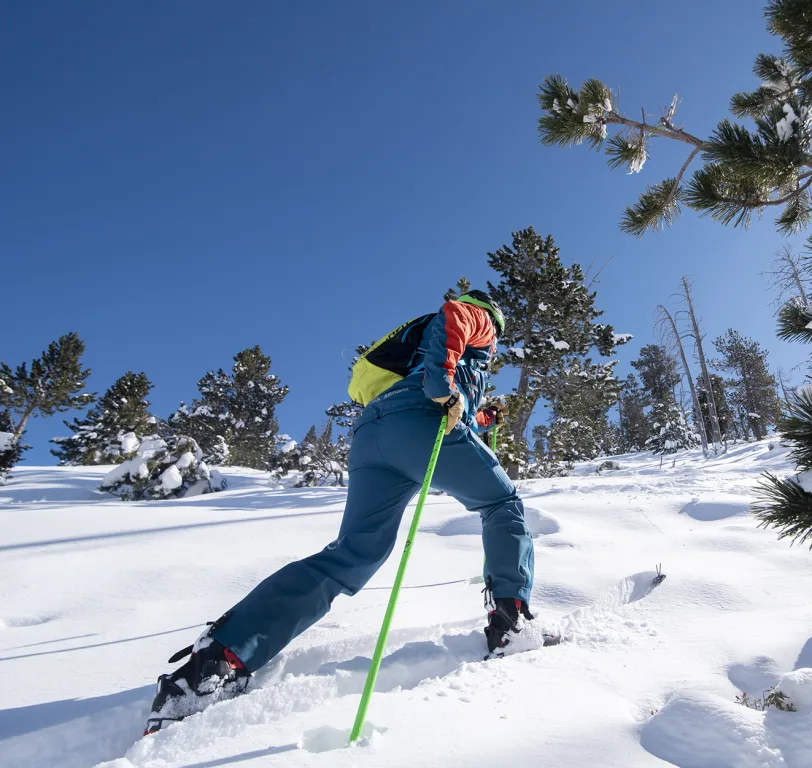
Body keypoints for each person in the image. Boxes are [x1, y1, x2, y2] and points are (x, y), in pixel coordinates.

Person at [145, 290, 534, 734]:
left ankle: (217, 661)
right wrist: (444, 390)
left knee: (355, 552)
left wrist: (482, 420)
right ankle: (512, 624)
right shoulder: (479, 316)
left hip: (374, 434)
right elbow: (450, 334)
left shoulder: (426, 352)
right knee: (503, 504)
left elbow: (445, 402)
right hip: (419, 421)